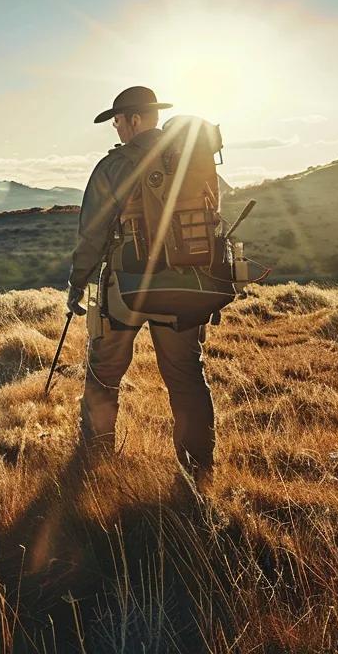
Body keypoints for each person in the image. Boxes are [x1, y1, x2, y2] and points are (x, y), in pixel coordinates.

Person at [66, 86, 215, 480]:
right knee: (185, 376)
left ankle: (95, 469)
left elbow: (91, 234)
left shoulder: (114, 167)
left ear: (133, 118)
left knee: (103, 375)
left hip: (124, 290)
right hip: (186, 287)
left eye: (117, 121)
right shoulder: (189, 159)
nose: (116, 130)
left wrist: (77, 284)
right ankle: (197, 473)